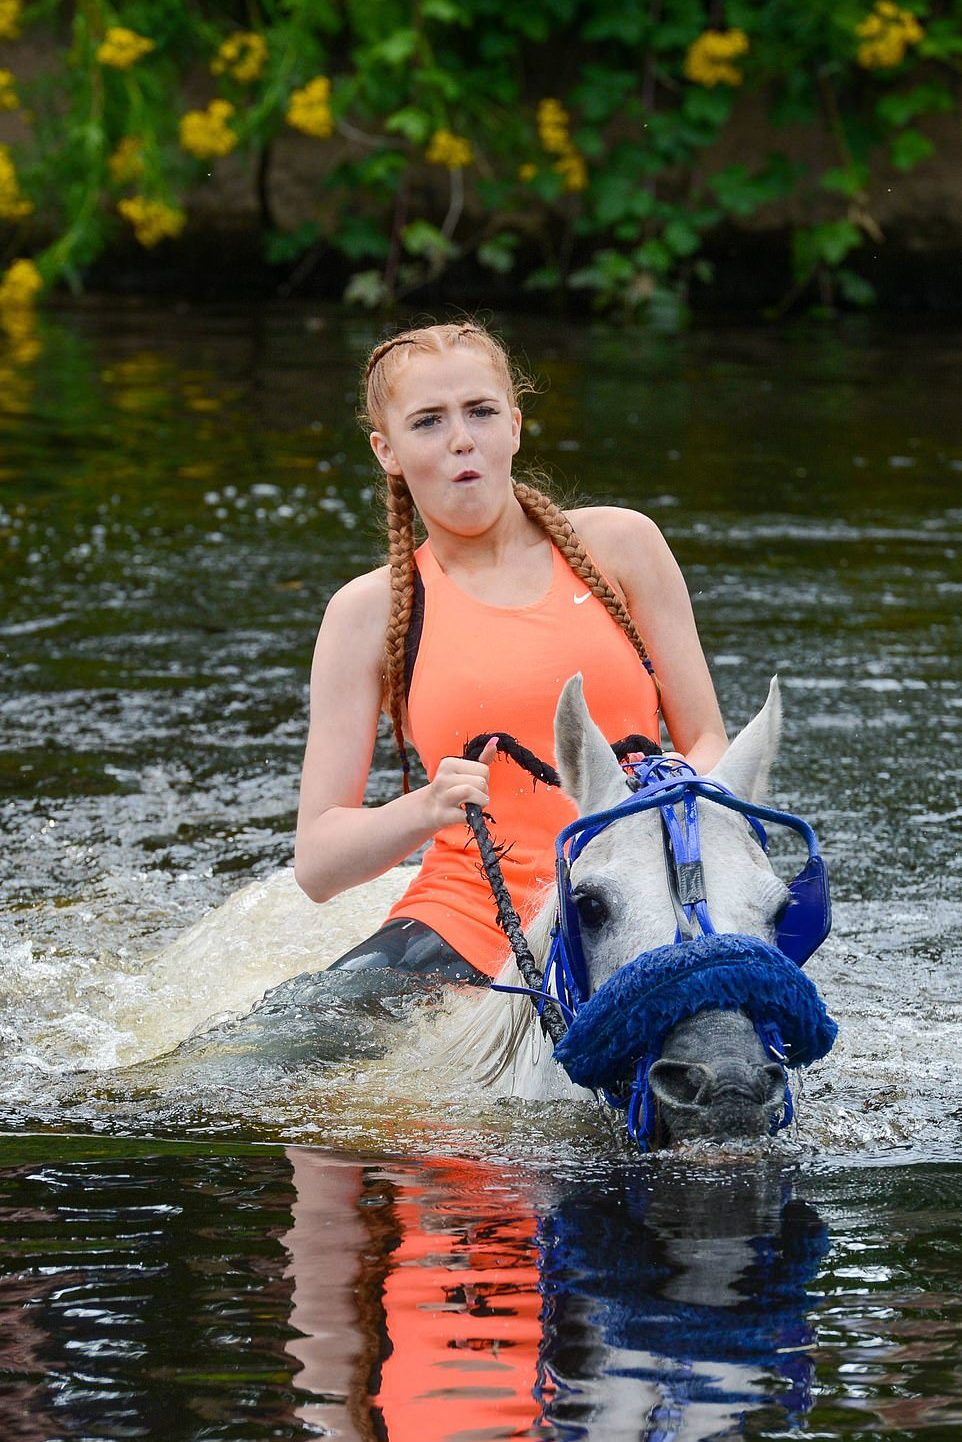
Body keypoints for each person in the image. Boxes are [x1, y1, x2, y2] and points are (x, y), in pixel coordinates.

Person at [294, 321, 727, 984]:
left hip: (633, 908)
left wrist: (681, 793)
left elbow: (708, 742)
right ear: (387, 450)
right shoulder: (366, 613)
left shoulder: (624, 547)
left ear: (516, 427)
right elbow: (319, 864)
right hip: (465, 922)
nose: (462, 438)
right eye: (429, 421)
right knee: (256, 1060)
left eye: (481, 412)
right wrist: (426, 807)